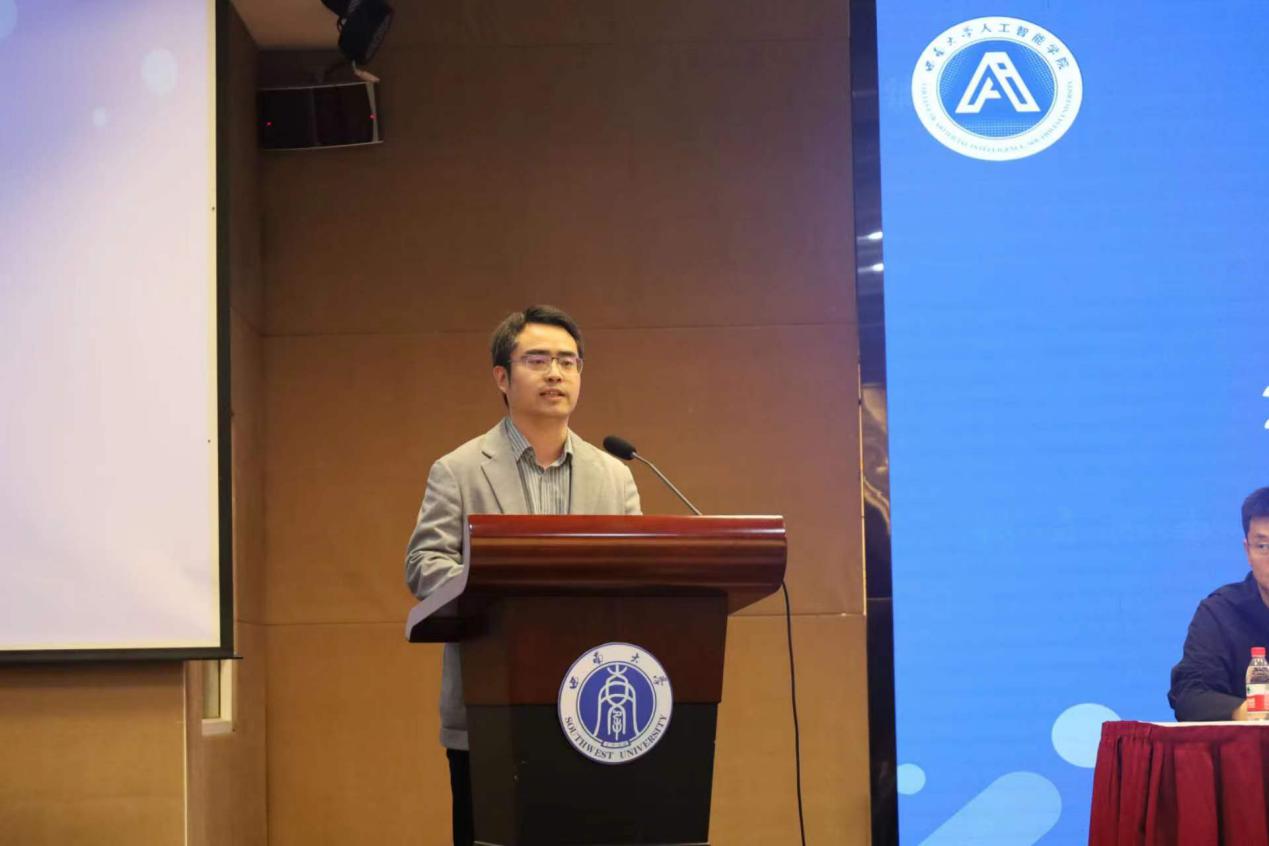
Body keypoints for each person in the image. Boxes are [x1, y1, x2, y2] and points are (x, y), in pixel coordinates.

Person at [404, 305, 641, 845]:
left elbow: (633, 575)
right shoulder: (459, 470)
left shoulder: (615, 476)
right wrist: (501, 588)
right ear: (502, 378)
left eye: (568, 361)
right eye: (537, 360)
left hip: (595, 709)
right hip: (492, 705)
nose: (555, 373)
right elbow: (424, 564)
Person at [1168, 487, 1269, 721]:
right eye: (1263, 546)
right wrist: (1246, 712)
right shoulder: (1220, 613)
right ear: (1248, 551)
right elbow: (1189, 695)